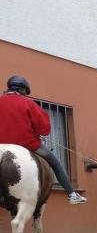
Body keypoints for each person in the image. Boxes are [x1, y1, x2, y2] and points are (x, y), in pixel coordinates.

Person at [0, 75, 87, 204]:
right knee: (55, 163)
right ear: (23, 90)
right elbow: (44, 128)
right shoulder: (28, 103)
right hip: (27, 144)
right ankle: (72, 194)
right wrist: (37, 133)